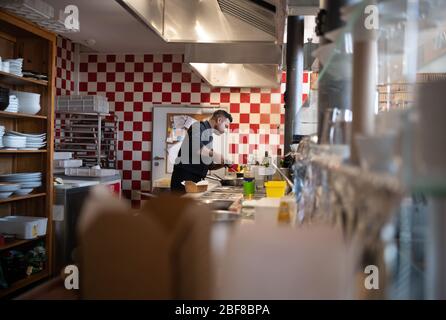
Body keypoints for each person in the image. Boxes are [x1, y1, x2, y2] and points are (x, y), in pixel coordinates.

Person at [170, 110, 233, 193]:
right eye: (226, 126)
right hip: (184, 178)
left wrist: (222, 164)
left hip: (196, 180)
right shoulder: (198, 126)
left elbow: (209, 165)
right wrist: (215, 155)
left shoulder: (209, 137)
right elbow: (196, 147)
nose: (225, 130)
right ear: (219, 120)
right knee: (180, 205)